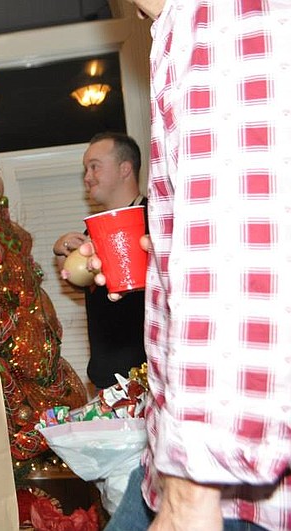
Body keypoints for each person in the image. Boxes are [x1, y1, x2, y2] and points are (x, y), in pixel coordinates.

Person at [96, 1, 291, 530]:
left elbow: (245, 253)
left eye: (96, 165)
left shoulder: (223, 17)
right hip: (181, 458)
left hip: (221, 475)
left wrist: (190, 497)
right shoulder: (187, 24)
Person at [52, 132, 147, 390]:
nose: (87, 176)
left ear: (125, 168)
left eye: (94, 166)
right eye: (86, 168)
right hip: (107, 380)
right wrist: (63, 254)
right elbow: (78, 282)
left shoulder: (155, 219)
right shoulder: (92, 232)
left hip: (151, 376)